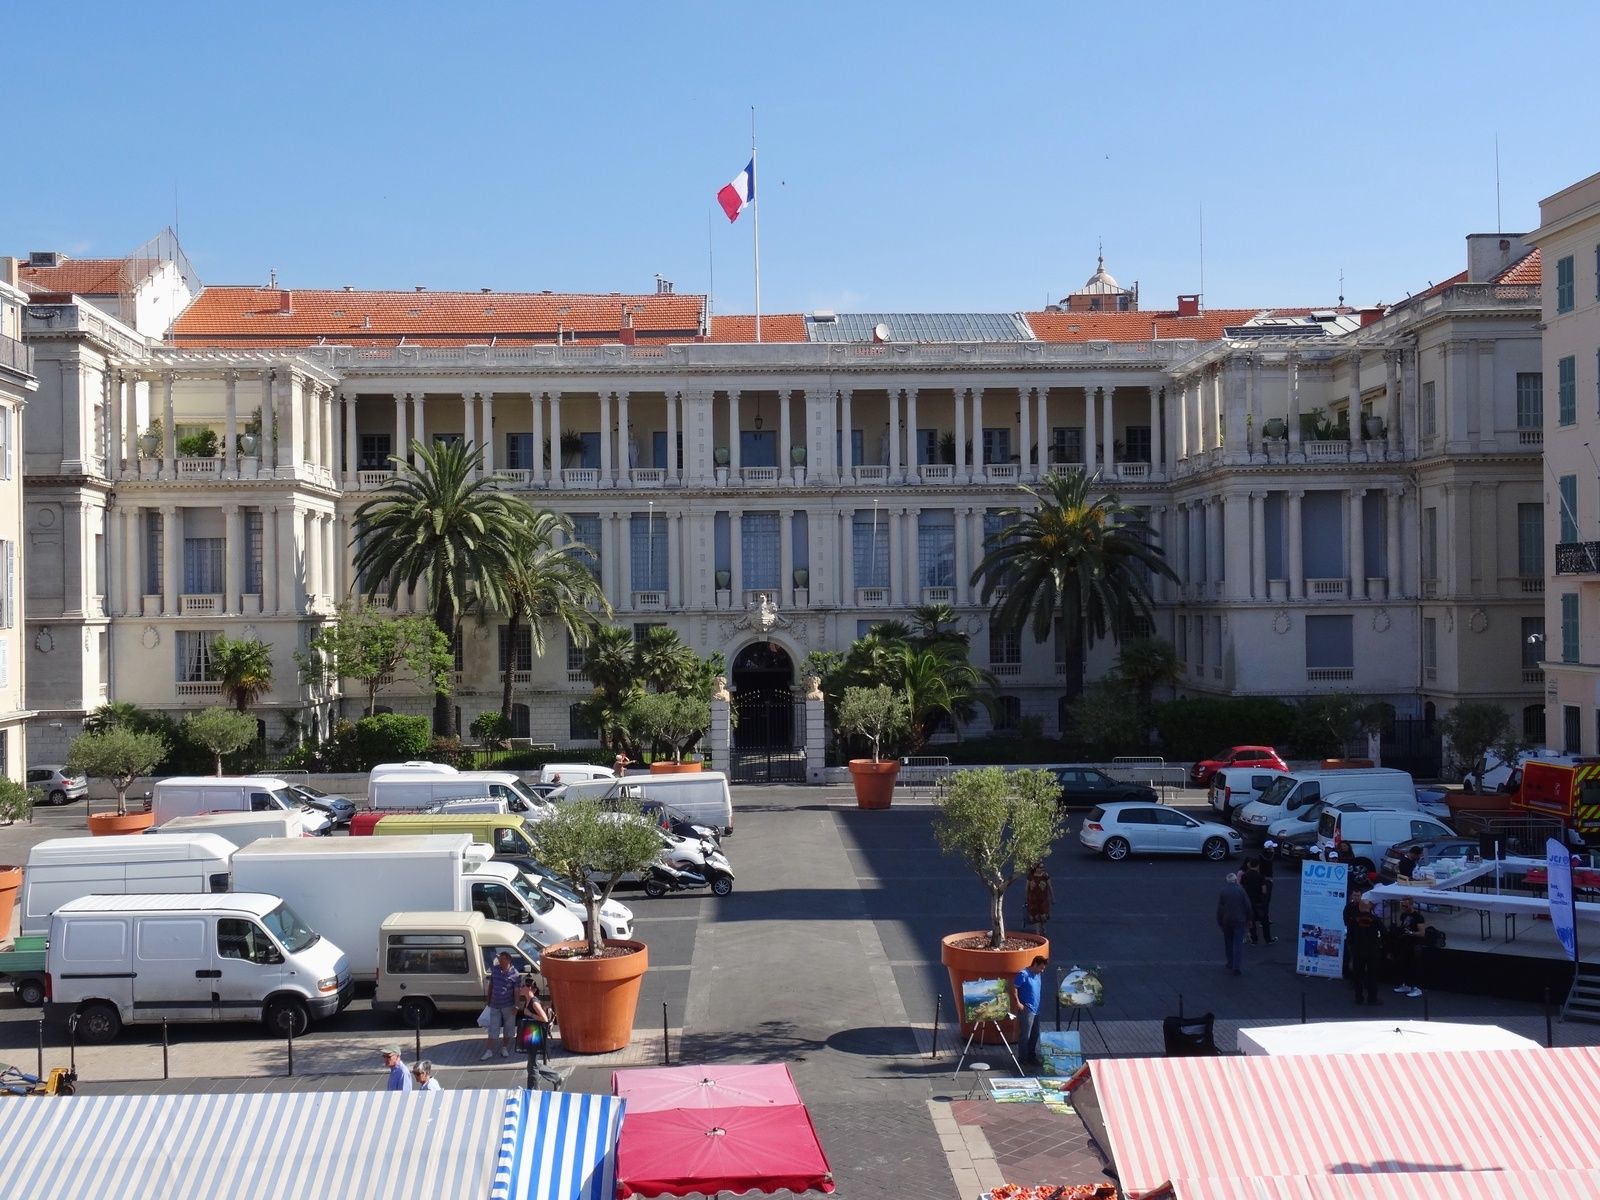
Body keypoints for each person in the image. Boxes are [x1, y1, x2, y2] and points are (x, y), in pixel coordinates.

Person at [1007, 955, 1048, 1066]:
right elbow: (1014, 988)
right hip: (1027, 1009)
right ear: (1035, 964)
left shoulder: (1037, 974)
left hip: (1036, 1009)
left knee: (1035, 1034)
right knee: (1025, 1035)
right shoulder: (1023, 974)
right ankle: (1023, 1059)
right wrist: (1018, 1003)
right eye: (1041, 968)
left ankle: (1031, 1056)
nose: (1042, 971)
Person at [482, 950, 521, 1060]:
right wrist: (488, 1000)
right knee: (493, 1028)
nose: (499, 962)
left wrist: (516, 1006)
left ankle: (504, 1048)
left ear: (508, 960)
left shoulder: (515, 974)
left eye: (502, 960)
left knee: (508, 1028)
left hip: (508, 1006)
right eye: (499, 960)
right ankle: (489, 1051)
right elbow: (491, 986)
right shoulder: (495, 970)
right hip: (494, 1004)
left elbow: (517, 991)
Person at [1347, 897, 1385, 1005]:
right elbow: (1384, 932)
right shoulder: (1375, 919)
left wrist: (1352, 947)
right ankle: (1372, 998)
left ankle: (1358, 997)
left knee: (1358, 975)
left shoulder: (1354, 920)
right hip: (1372, 951)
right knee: (1372, 975)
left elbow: (1349, 936)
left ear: (1359, 907)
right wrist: (1379, 943)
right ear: (1369, 907)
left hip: (1358, 951)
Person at [1392, 898, 1427, 998]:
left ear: (1411, 905)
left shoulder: (1418, 917)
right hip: (1405, 943)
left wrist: (1411, 933)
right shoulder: (1403, 915)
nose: (1403, 908)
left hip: (1415, 945)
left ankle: (1416, 988)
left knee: (1414, 966)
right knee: (1404, 964)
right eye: (1402, 906)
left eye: (1406, 906)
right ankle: (1407, 985)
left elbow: (1422, 933)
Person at [1216, 872, 1251, 975]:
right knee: (1238, 944)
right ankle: (1236, 966)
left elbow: (1220, 909)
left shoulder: (1223, 891)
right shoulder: (1241, 890)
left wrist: (1220, 922)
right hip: (1240, 921)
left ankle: (1230, 962)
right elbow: (1248, 906)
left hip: (1227, 921)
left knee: (1228, 942)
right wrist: (1249, 919)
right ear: (1236, 880)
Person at [1024, 864, 1054, 932]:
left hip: (1043, 899)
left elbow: (1050, 887)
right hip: (1033, 899)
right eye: (1040, 867)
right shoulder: (1030, 876)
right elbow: (1027, 887)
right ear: (1036, 868)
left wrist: (1052, 897)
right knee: (1035, 916)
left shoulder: (1045, 876)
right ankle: (1037, 932)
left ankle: (1042, 926)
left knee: (1043, 916)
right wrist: (1026, 898)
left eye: (1043, 867)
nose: (1042, 869)